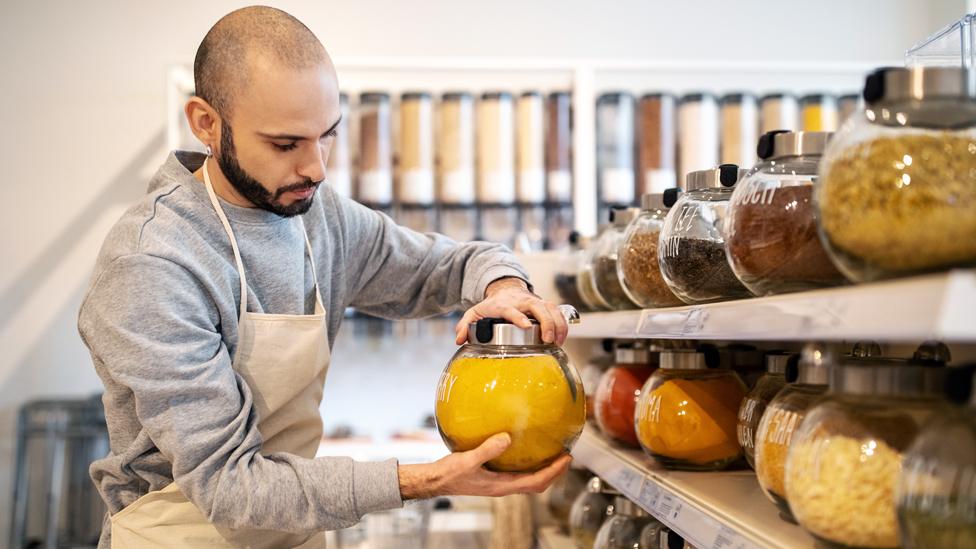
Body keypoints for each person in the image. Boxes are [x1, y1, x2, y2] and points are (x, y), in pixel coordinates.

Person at [77, 6, 571, 548]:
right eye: (286, 144)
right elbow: (229, 487)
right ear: (206, 124)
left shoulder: (321, 216)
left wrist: (506, 288)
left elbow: (450, 265)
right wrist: (425, 480)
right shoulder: (153, 262)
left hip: (296, 533)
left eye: (327, 135)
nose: (317, 168)